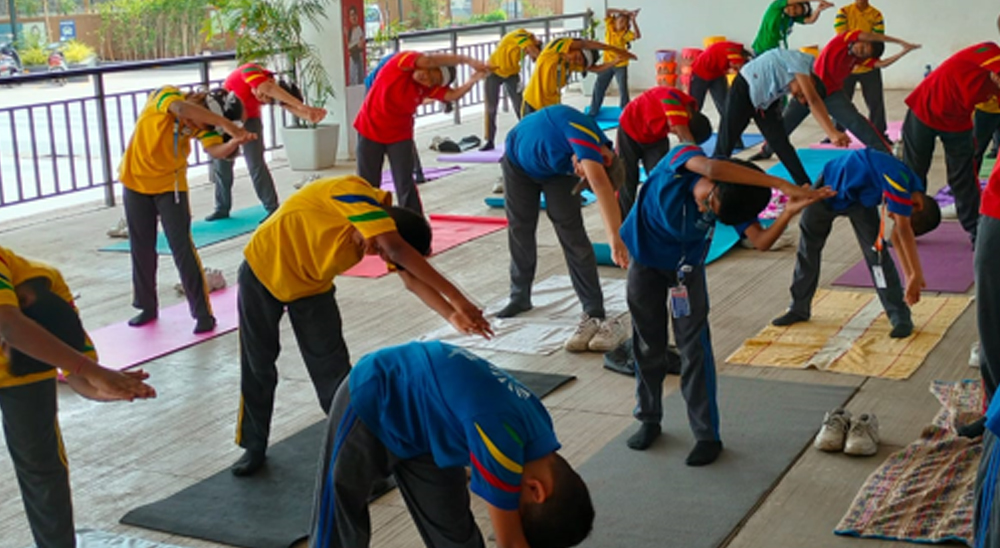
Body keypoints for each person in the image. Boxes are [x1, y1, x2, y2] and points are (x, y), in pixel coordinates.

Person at [232, 175, 492, 477]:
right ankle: (254, 444)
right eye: (379, 249)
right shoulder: (351, 191)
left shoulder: (382, 234)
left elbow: (409, 277)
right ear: (386, 227)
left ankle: (364, 452)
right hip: (262, 271)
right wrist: (461, 300)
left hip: (311, 287)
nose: (375, 254)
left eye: (379, 251)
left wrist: (451, 314)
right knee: (258, 364)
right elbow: (395, 250)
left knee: (336, 376)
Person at [620, 144, 833, 462]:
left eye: (711, 212)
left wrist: (788, 211)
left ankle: (707, 435)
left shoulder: (732, 201)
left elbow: (761, 241)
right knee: (648, 343)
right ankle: (649, 418)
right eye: (708, 201)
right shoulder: (681, 163)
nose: (705, 209)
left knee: (694, 349)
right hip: (645, 262)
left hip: (685, 272)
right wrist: (781, 184)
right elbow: (712, 169)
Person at [308, 341, 594, 548]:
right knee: (339, 523)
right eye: (515, 505)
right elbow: (510, 542)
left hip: (432, 435)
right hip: (373, 397)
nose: (507, 504)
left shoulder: (538, 430)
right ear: (535, 489)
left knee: (454, 535)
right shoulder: (502, 445)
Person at [0, 246, 156, 548]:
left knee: (42, 463)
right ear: (22, 302)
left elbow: (79, 378)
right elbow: (10, 327)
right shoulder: (11, 314)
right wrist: (92, 370)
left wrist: (106, 389)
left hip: (25, 361)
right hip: (16, 331)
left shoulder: (54, 293)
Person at [121, 86, 254, 334]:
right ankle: (146, 306)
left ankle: (203, 314)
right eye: (197, 122)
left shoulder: (199, 125)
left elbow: (215, 151)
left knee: (182, 247)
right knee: (141, 246)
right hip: (135, 182)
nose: (194, 128)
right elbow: (181, 109)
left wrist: (234, 140)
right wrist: (227, 124)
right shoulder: (165, 96)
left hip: (170, 187)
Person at [497, 104, 628, 353]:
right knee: (520, 227)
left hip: (554, 172)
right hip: (517, 165)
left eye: (582, 176)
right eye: (583, 174)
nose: (579, 173)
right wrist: (615, 239)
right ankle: (519, 295)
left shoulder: (584, 160)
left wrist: (615, 237)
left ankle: (593, 307)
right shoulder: (585, 136)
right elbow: (600, 184)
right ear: (604, 159)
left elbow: (601, 185)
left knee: (572, 233)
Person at [771, 149, 939, 339]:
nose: (890, 214)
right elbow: (903, 231)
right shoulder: (899, 184)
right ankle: (798, 308)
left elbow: (898, 237)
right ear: (916, 206)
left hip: (859, 200)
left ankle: (899, 316)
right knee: (808, 248)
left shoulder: (913, 189)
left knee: (877, 255)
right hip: (825, 191)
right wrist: (915, 273)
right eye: (896, 216)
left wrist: (911, 275)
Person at [748, 30, 920, 161]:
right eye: (863, 46)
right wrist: (900, 42)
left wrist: (903, 52)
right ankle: (766, 151)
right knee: (786, 123)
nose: (861, 51)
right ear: (860, 40)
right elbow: (870, 35)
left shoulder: (856, 59)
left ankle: (883, 153)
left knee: (856, 122)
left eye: (865, 53)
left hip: (831, 94)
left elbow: (881, 64)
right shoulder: (843, 40)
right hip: (809, 89)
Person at [356, 51, 489, 214]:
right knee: (367, 184)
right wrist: (467, 60)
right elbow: (428, 59)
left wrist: (472, 80)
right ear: (430, 66)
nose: (426, 81)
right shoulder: (401, 64)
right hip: (370, 128)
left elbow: (452, 95)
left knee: (405, 183)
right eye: (430, 75)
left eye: (433, 83)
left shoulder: (425, 89)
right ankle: (365, 221)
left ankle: (414, 223)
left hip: (399, 135)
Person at [902, 42, 1000, 245]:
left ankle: (977, 232)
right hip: (924, 108)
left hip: (958, 121)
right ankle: (905, 227)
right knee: (913, 173)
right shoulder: (988, 50)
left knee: (963, 176)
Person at [206, 64, 328, 222]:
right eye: (263, 95)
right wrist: (303, 106)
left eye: (266, 100)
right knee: (222, 165)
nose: (262, 99)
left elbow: (287, 105)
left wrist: (310, 115)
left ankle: (272, 208)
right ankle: (222, 208)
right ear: (270, 82)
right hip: (226, 120)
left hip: (250, 120)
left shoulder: (273, 93)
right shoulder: (251, 70)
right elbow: (267, 89)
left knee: (256, 164)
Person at [714, 48, 850, 188]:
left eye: (797, 97)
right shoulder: (801, 63)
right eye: (800, 94)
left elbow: (813, 101)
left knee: (781, 144)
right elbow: (813, 100)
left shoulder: (796, 78)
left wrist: (832, 132)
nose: (796, 94)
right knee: (726, 141)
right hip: (745, 88)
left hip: (766, 101)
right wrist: (832, 133)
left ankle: (806, 186)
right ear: (811, 82)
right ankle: (711, 181)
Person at [616, 86, 713, 215]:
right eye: (675, 130)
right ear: (687, 118)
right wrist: (705, 167)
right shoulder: (673, 102)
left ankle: (656, 216)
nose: (673, 131)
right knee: (626, 179)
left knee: (660, 178)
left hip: (655, 136)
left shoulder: (689, 111)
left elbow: (685, 142)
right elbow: (687, 141)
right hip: (629, 129)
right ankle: (623, 224)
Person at [522, 36, 636, 115]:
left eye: (578, 62)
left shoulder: (569, 65)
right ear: (575, 48)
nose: (574, 61)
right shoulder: (553, 49)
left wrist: (614, 62)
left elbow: (596, 69)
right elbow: (585, 43)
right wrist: (613, 49)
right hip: (532, 104)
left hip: (551, 107)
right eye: (577, 57)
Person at [833, 0, 889, 138]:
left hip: (869, 65)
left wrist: (862, 57)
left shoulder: (876, 15)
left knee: (875, 102)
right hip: (847, 66)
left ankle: (879, 133)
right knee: (841, 102)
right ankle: (836, 132)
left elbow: (877, 40)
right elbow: (842, 37)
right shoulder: (844, 12)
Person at [480, 29, 542, 151]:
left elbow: (530, 51)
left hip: (512, 73)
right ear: (535, 42)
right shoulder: (521, 35)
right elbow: (530, 48)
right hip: (493, 71)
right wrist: (543, 59)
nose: (528, 54)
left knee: (520, 106)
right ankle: (489, 140)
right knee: (491, 107)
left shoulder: (528, 45)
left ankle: (529, 136)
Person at [588, 7, 641, 117]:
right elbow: (608, 11)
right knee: (599, 86)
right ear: (615, 21)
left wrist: (633, 20)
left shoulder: (625, 34)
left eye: (625, 23)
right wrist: (623, 12)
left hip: (621, 64)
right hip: (607, 63)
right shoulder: (610, 26)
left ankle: (626, 112)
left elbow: (637, 35)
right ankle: (594, 110)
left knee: (623, 89)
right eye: (620, 21)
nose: (622, 24)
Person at [689, 41, 750, 119]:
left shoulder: (734, 49)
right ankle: (692, 124)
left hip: (716, 73)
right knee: (695, 105)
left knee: (725, 103)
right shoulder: (733, 52)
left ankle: (727, 124)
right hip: (700, 72)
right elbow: (742, 70)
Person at [752, 0, 834, 54]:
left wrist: (818, 10)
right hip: (760, 50)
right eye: (794, 7)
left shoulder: (790, 18)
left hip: (774, 52)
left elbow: (810, 20)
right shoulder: (776, 7)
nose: (791, 11)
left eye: (795, 13)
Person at [345, 5, 365, 86]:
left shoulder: (359, 30)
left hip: (357, 58)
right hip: (352, 60)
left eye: (354, 15)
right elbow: (348, 46)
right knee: (352, 81)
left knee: (358, 80)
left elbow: (360, 46)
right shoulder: (349, 31)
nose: (353, 17)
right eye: (351, 15)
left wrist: (352, 49)